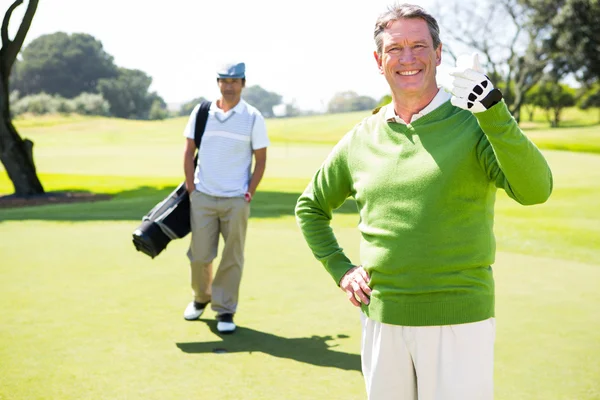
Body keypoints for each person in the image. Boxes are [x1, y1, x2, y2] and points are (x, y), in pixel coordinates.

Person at [295, 4, 552, 399]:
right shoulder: (362, 137)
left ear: (438, 53)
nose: (408, 58)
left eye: (419, 46)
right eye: (395, 49)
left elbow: (536, 190)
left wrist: (493, 111)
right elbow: (310, 207)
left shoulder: (475, 123)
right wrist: (341, 269)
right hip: (383, 320)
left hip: (459, 321)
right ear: (379, 61)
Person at [182, 61, 269, 334]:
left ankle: (225, 310)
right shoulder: (202, 112)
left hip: (235, 200)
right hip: (203, 196)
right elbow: (188, 151)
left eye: (234, 81)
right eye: (224, 80)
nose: (229, 86)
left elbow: (261, 160)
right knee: (200, 256)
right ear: (218, 83)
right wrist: (191, 189)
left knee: (232, 257)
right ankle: (201, 297)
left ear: (243, 83)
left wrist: (249, 193)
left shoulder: (253, 117)